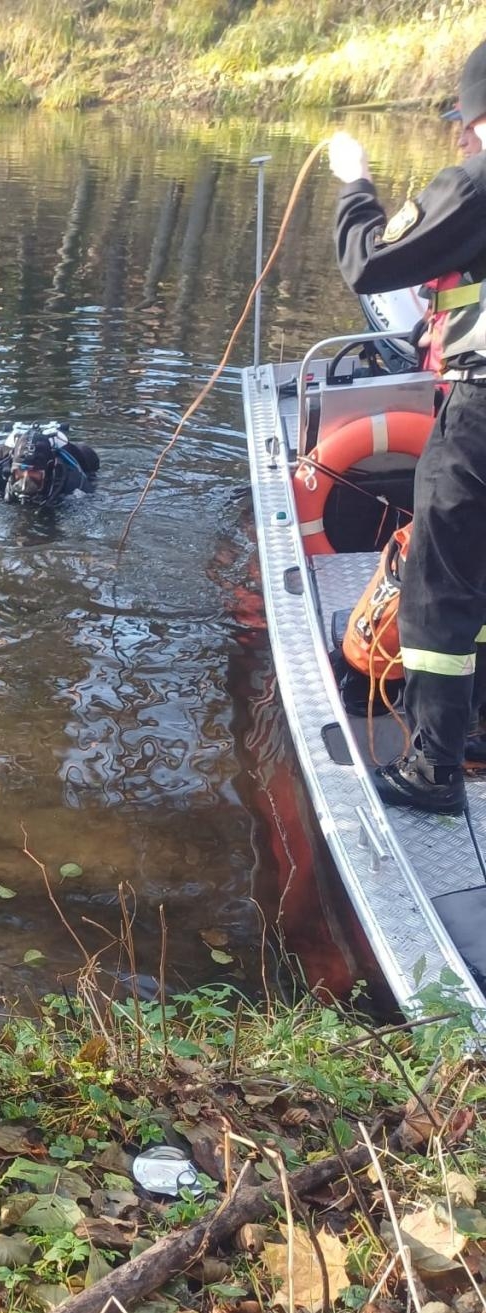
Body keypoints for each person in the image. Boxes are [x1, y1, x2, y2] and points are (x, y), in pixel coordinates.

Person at [329, 38, 486, 815]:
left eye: (463, 119)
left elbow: (368, 263)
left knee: (440, 589)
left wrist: (355, 183)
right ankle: (476, 728)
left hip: (480, 416)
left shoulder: (477, 183)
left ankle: (434, 768)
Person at [0, 423, 99, 505]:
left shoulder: (70, 478)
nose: (25, 482)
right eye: (19, 473)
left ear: (49, 470)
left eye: (34, 475)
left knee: (88, 462)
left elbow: (92, 499)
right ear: (10, 469)